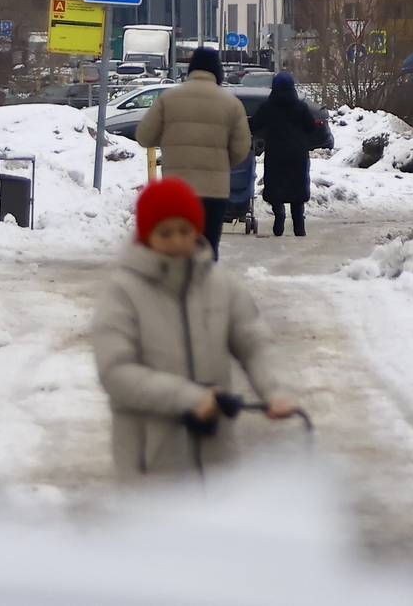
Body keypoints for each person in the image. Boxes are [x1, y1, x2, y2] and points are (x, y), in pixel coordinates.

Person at [93, 177, 297, 479]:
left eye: (184, 231)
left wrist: (274, 389)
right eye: (165, 233)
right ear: (147, 234)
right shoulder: (123, 293)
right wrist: (189, 398)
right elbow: (116, 372)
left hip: (217, 461)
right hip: (150, 467)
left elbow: (253, 342)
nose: (176, 241)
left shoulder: (220, 284)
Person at [138, 48, 252, 257]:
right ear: (218, 70)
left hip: (177, 191)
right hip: (214, 191)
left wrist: (168, 142)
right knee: (207, 251)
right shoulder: (232, 104)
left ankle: (176, 288)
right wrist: (221, 164)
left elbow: (144, 136)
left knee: (175, 250)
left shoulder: (168, 98)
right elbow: (241, 149)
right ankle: (204, 287)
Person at [250, 72, 329, 237]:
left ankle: (279, 217)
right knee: (297, 190)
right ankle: (299, 226)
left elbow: (255, 124)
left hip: (275, 154)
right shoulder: (300, 107)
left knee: (276, 187)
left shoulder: (268, 107)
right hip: (297, 155)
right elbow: (310, 128)